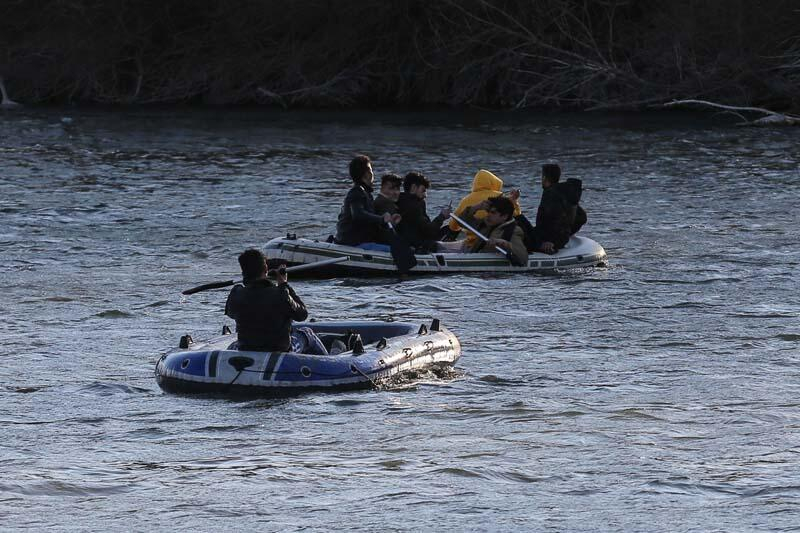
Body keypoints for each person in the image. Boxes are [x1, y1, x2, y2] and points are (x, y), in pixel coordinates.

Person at [224, 249, 326, 355]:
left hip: (246, 348)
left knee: (234, 345)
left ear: (243, 272)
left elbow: (231, 313)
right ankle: (328, 363)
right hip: (281, 351)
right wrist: (284, 284)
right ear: (266, 269)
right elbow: (302, 314)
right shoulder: (281, 294)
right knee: (307, 333)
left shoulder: (237, 294)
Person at [515, 163, 587, 254]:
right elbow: (582, 217)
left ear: (544, 178)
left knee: (517, 221)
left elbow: (552, 220)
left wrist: (549, 242)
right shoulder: (564, 195)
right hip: (558, 239)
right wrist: (567, 232)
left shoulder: (551, 195)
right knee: (519, 218)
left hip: (545, 240)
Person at [335, 155, 401, 251]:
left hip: (359, 241)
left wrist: (390, 222)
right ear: (367, 174)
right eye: (371, 170)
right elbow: (358, 215)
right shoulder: (357, 192)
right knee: (397, 250)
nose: (372, 174)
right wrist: (382, 219)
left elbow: (370, 221)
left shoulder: (365, 193)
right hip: (352, 243)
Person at [438, 196, 527, 266]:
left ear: (504, 216)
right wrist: (477, 207)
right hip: (474, 256)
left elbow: (522, 257)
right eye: (488, 212)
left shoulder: (514, 231)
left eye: (493, 213)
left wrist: (503, 243)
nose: (488, 215)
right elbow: (461, 222)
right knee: (435, 246)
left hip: (492, 271)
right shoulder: (487, 224)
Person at [447, 169, 520, 246]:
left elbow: (453, 225)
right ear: (494, 183)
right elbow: (516, 216)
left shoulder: (465, 200)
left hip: (472, 242)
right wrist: (515, 202)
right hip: (494, 241)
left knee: (441, 246)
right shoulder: (500, 197)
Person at [396, 171, 452, 252]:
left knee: (448, 229)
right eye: (423, 190)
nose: (426, 195)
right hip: (418, 245)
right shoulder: (413, 206)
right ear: (414, 187)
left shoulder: (403, 201)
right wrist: (442, 216)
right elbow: (429, 231)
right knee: (449, 231)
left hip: (416, 240)